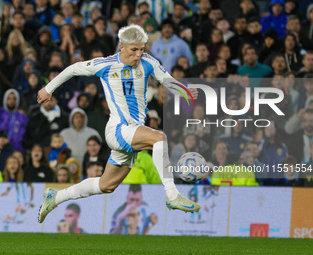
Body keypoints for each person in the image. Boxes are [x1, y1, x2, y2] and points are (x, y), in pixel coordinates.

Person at [38, 24, 201, 224]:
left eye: (142, 49)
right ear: (122, 47)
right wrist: (48, 88)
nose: (138, 55)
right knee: (160, 137)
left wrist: (184, 92)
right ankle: (172, 195)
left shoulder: (149, 62)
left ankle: (55, 197)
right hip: (118, 130)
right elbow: (74, 69)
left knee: (106, 185)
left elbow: (168, 81)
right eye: (134, 50)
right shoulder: (106, 65)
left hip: (133, 133)